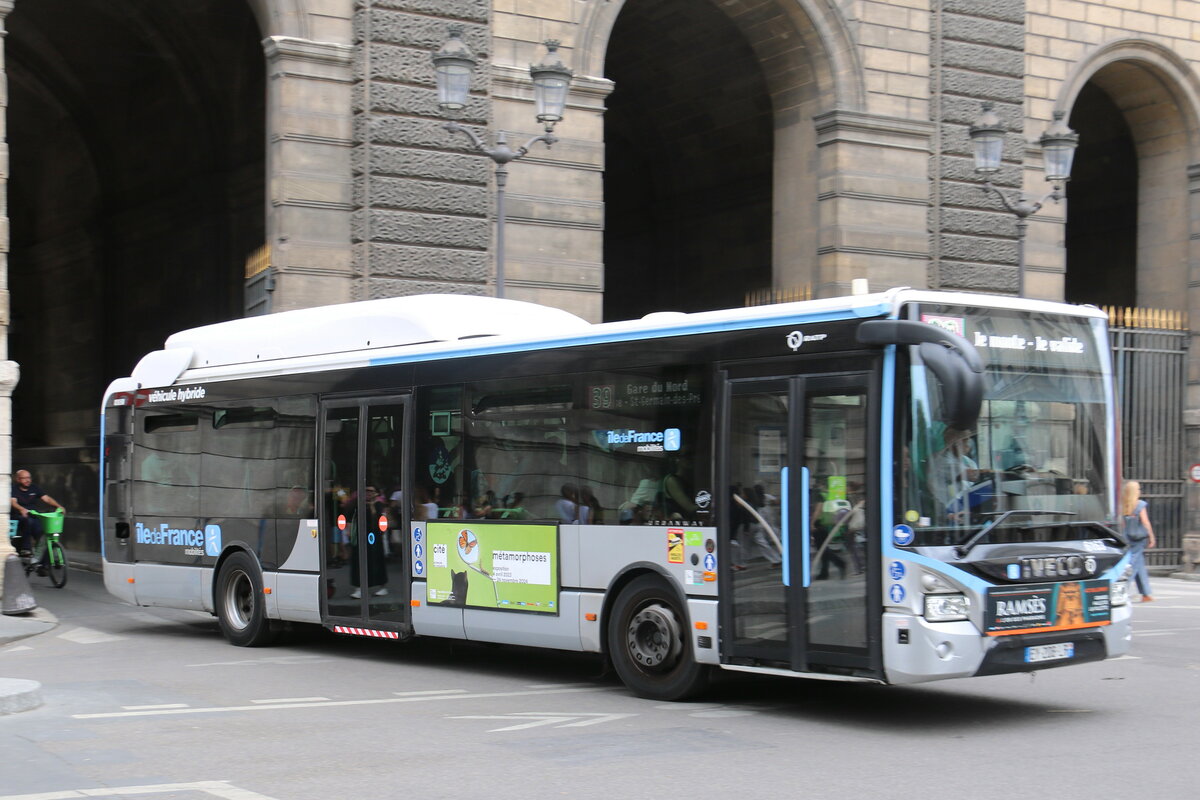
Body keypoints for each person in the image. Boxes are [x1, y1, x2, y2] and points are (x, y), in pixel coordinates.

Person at [10, 468, 66, 561]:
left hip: (34, 515)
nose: (28, 480)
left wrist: (58, 506)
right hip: (19, 517)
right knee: (27, 520)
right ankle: (26, 548)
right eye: (24, 478)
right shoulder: (14, 489)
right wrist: (21, 509)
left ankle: (45, 563)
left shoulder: (34, 488)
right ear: (18, 479)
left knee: (43, 535)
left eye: (29, 478)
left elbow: (46, 499)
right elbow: (13, 502)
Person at [1121, 480, 1156, 602]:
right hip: (1138, 538)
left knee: (1139, 564)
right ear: (1135, 492)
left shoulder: (1123, 504)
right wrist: (1151, 536)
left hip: (1127, 537)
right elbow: (1145, 522)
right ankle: (1122, 590)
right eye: (1139, 489)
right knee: (1133, 565)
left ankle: (1146, 594)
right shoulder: (1139, 504)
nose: (1140, 491)